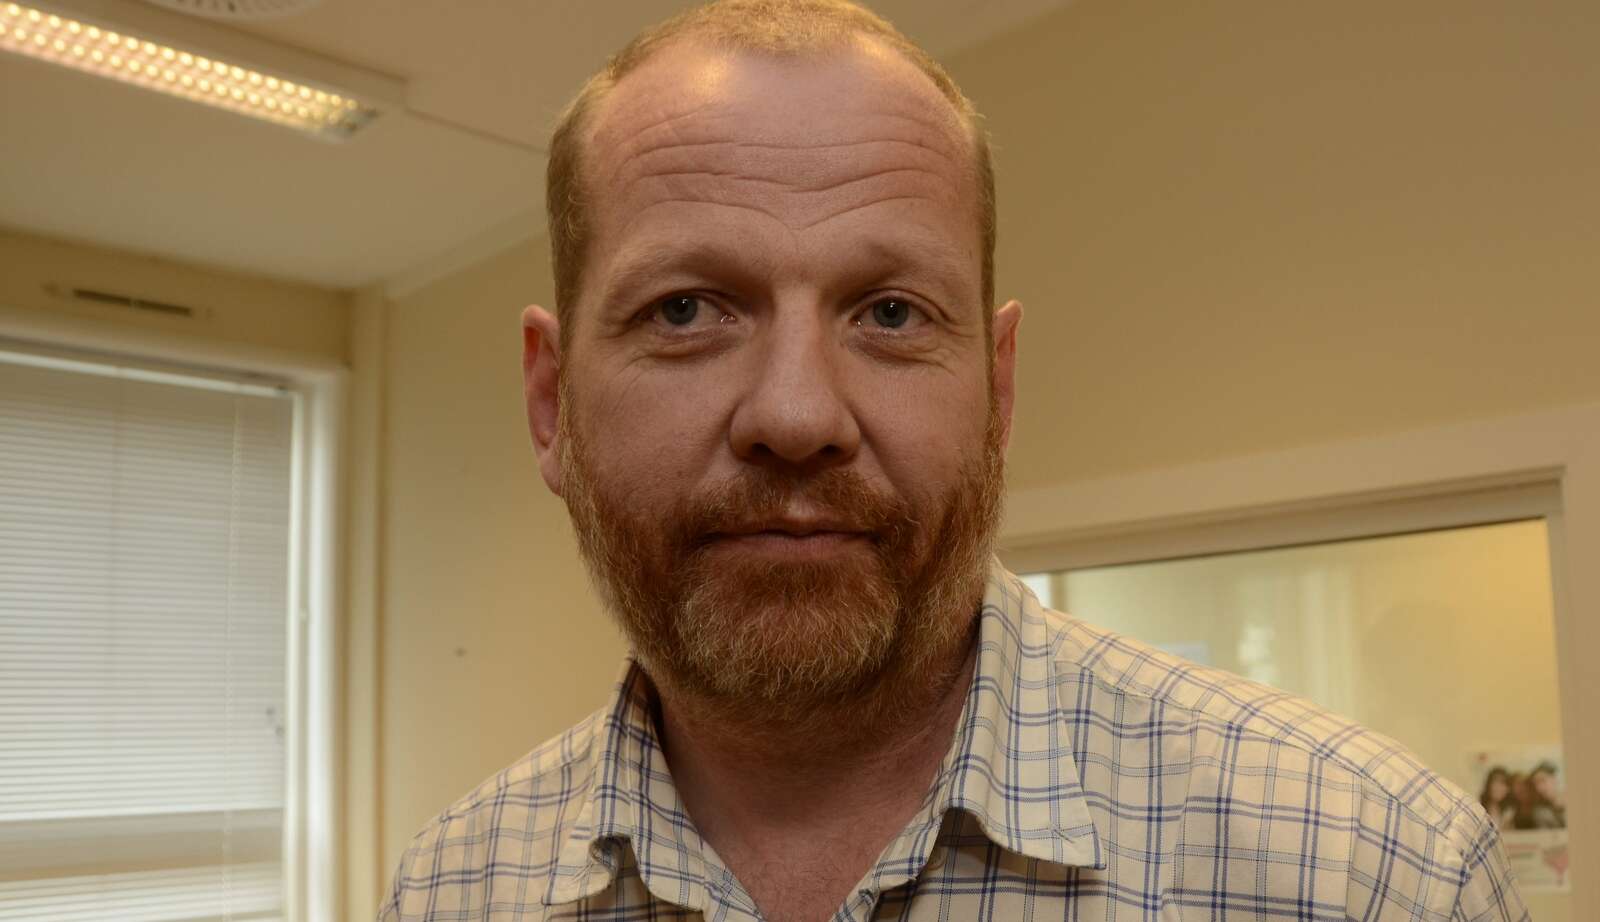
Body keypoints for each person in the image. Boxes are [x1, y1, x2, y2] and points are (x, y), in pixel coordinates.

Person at [379, 1, 1528, 919]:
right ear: (551, 403)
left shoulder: (1380, 875)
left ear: (998, 389)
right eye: (685, 310)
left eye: (889, 313)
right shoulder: (450, 888)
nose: (795, 414)